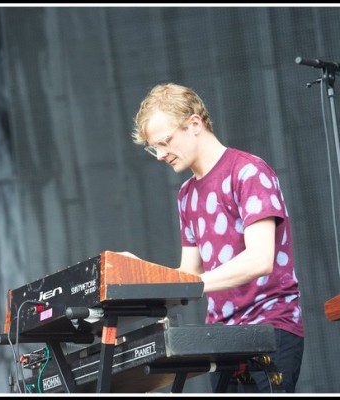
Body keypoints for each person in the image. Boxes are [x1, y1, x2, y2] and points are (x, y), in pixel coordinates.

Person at [130, 82, 304, 393]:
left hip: (269, 329)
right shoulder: (185, 195)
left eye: (165, 142)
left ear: (194, 124)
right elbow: (188, 275)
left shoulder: (249, 172)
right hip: (222, 340)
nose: (159, 155)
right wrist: (140, 272)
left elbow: (260, 260)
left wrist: (189, 284)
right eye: (153, 147)